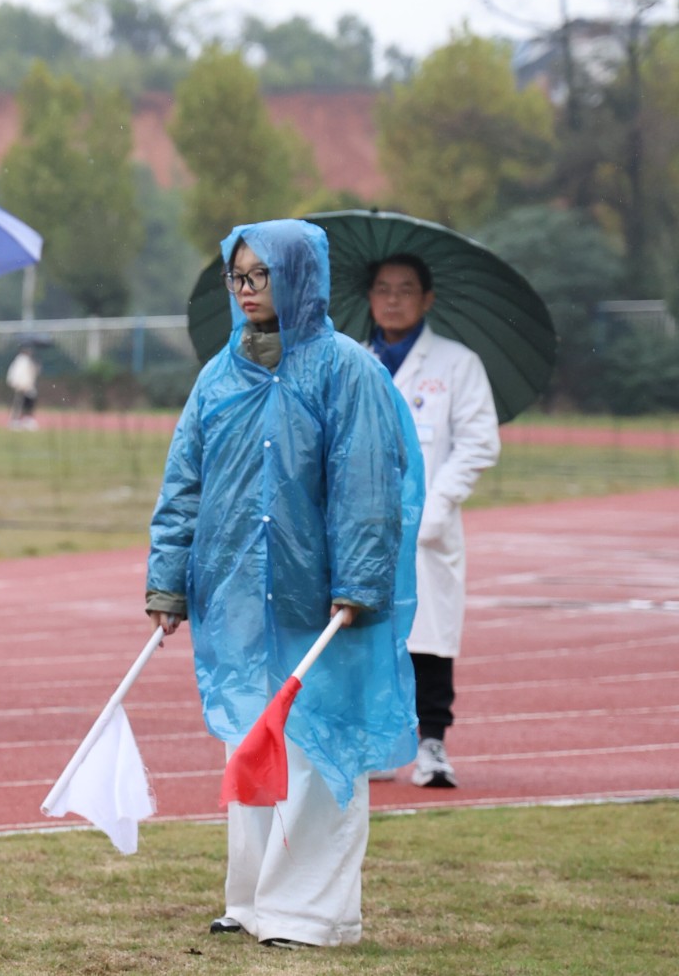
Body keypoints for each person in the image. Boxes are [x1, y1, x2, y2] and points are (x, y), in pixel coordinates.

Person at [146, 220, 422, 949]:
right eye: (238, 276)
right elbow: (185, 486)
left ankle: (309, 913)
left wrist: (359, 582)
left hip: (320, 603)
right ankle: (253, 899)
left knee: (318, 749)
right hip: (234, 601)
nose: (247, 289)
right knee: (250, 746)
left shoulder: (347, 372)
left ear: (301, 277)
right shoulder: (218, 376)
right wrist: (167, 582)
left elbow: (369, 487)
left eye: (261, 275)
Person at [367, 252, 500, 789]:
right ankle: (377, 744)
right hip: (365, 527)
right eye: (382, 288)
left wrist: (436, 505)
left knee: (429, 638)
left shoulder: (456, 364)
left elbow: (477, 443)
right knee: (369, 636)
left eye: (405, 289)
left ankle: (432, 746)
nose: (393, 299)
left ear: (427, 298)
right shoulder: (350, 361)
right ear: (369, 298)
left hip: (427, 530)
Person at [6, 344, 40, 429]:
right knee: (19, 403)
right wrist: (19, 384)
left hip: (27, 386)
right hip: (22, 386)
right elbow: (17, 375)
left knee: (28, 403)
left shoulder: (27, 360)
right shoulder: (21, 360)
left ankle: (26, 420)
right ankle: (16, 421)